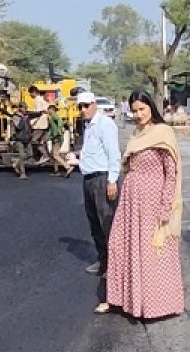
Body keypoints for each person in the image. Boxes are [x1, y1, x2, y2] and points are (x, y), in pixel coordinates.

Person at [96, 90, 184, 316]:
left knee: (150, 251)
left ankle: (154, 305)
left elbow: (171, 173)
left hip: (153, 201)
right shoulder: (137, 133)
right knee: (120, 244)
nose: (137, 115)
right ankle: (119, 298)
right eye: (134, 111)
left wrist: (166, 205)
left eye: (141, 109)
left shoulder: (162, 133)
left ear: (150, 108)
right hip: (131, 201)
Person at [78, 91, 121, 285]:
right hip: (89, 179)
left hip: (103, 179)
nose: (83, 110)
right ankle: (103, 260)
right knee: (94, 222)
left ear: (94, 104)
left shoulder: (105, 125)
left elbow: (113, 153)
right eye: (80, 107)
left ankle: (114, 265)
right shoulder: (88, 126)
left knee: (108, 223)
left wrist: (112, 180)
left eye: (86, 106)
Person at [46, 105, 73, 178]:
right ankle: (56, 171)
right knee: (52, 154)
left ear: (51, 110)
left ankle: (67, 167)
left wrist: (59, 130)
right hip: (55, 137)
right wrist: (47, 138)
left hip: (57, 138)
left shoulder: (54, 115)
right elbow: (51, 129)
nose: (47, 111)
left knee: (55, 155)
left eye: (48, 110)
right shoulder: (51, 117)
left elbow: (59, 121)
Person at [27, 86, 52, 165]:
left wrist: (31, 121)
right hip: (45, 124)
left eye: (30, 94)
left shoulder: (37, 99)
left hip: (39, 124)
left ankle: (45, 155)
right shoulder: (43, 100)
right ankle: (45, 156)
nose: (30, 96)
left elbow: (38, 113)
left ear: (33, 92)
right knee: (41, 141)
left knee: (33, 141)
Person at [11, 102, 33, 180]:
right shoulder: (16, 117)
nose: (26, 109)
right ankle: (22, 174)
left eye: (26, 108)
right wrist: (23, 118)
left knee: (30, 154)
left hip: (28, 138)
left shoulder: (27, 116)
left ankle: (16, 164)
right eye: (24, 108)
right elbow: (18, 127)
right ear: (20, 108)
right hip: (20, 139)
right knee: (22, 155)